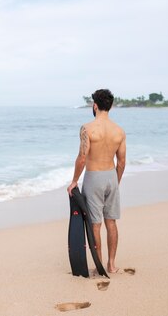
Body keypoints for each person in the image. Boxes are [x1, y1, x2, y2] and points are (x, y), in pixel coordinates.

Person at [67, 89, 126, 274]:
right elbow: (122, 162)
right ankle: (112, 264)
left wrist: (74, 181)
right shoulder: (119, 131)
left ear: (95, 105)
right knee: (111, 222)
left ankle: (99, 265)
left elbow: (82, 158)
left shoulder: (87, 129)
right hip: (111, 177)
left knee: (95, 224)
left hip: (94, 178)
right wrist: (116, 181)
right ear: (111, 106)